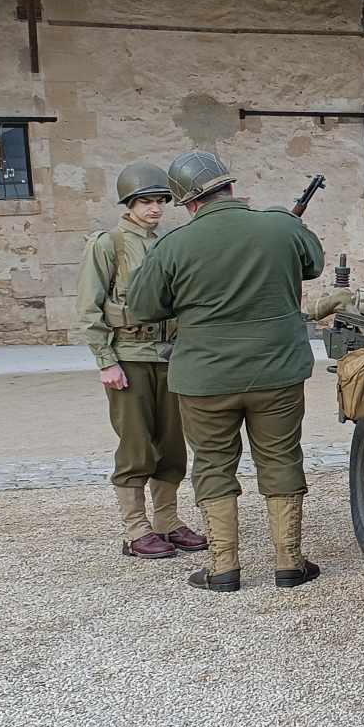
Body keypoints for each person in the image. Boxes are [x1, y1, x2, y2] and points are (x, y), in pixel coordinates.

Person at [127, 150, 323, 592]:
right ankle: (289, 563)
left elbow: (142, 306)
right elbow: (313, 264)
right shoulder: (281, 225)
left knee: (214, 464)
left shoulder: (173, 244)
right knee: (281, 458)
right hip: (277, 370)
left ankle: (223, 568)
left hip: (205, 378)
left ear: (187, 201)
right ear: (230, 186)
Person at [78, 161, 203, 560]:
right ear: (129, 204)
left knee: (171, 445)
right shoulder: (108, 243)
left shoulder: (167, 243)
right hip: (128, 356)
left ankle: (167, 521)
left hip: (169, 356)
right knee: (136, 444)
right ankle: (135, 529)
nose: (154, 209)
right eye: (145, 202)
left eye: (159, 201)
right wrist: (105, 361)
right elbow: (88, 308)